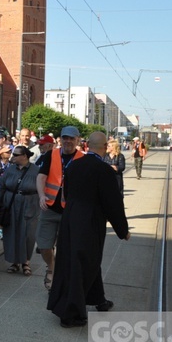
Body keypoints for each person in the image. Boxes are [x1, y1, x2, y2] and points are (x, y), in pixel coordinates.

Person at [47, 132, 131, 328]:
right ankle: (70, 314)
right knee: (83, 262)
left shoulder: (73, 165)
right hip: (90, 221)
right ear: (103, 147)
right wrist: (122, 230)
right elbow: (113, 203)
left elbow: (66, 191)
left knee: (76, 259)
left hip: (70, 218)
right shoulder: (104, 170)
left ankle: (98, 299)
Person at [36, 126, 84, 292]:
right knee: (43, 245)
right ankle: (52, 266)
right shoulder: (52, 154)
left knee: (66, 249)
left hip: (69, 212)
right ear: (60, 139)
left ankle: (58, 275)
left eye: (72, 138)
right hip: (49, 207)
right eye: (65, 138)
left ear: (78, 140)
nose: (68, 141)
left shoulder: (82, 159)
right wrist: (41, 195)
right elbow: (41, 177)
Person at [0, 146, 41, 276]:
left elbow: (43, 188)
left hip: (30, 203)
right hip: (11, 204)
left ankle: (26, 262)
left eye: (16, 154)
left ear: (25, 156)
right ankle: (14, 262)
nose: (12, 156)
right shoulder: (10, 170)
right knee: (11, 232)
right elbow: (1, 186)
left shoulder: (36, 170)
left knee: (28, 233)